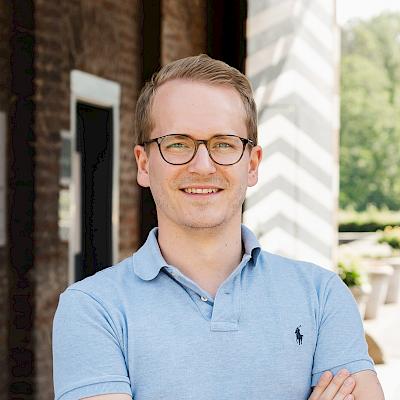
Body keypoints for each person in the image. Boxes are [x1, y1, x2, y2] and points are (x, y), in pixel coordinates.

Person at [52, 54, 384, 400]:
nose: (202, 166)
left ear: (252, 165)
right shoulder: (93, 309)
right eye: (178, 143)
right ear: (144, 164)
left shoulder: (322, 296)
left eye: (223, 144)